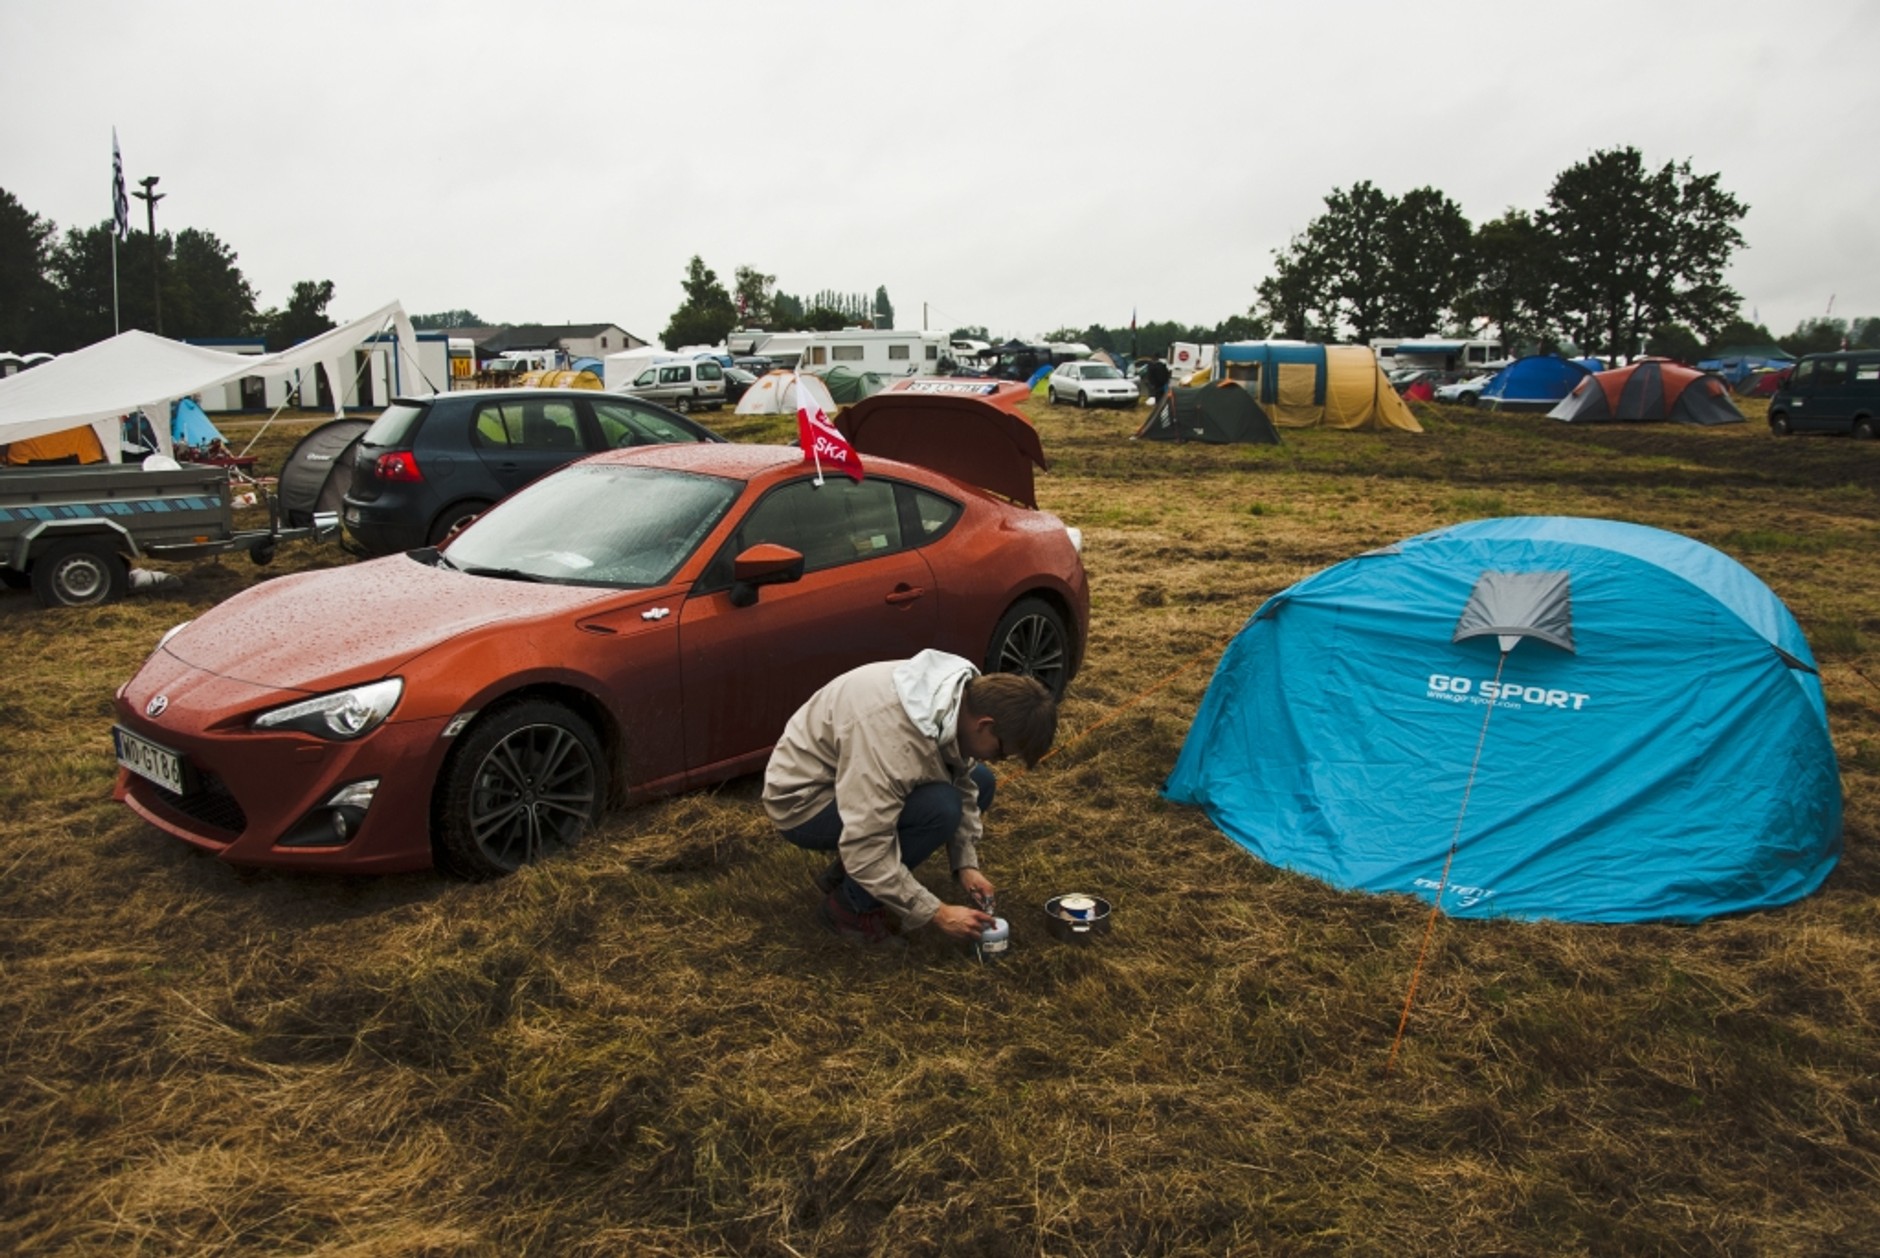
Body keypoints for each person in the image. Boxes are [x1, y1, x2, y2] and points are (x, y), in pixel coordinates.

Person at [764, 650, 1059, 946]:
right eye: (1000, 752)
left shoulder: (959, 699)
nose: (998, 760)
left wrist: (965, 864)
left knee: (981, 781)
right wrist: (937, 913)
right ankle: (848, 909)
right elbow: (866, 849)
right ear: (984, 725)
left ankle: (844, 877)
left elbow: (962, 778)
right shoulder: (893, 743)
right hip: (803, 801)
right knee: (941, 809)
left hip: (853, 779)